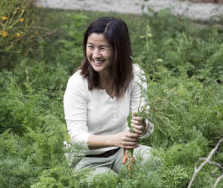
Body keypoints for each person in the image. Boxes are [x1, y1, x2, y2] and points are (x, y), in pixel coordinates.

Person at [63, 17, 154, 176]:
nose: (95, 55)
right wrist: (114, 139)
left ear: (119, 49)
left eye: (103, 48)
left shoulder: (135, 74)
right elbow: (77, 139)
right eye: (91, 47)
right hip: (86, 159)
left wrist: (143, 126)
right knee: (107, 184)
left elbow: (147, 127)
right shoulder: (77, 83)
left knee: (154, 161)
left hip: (122, 152)